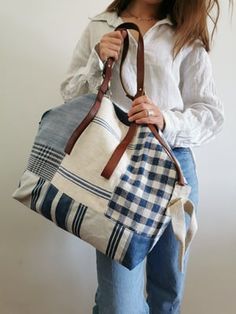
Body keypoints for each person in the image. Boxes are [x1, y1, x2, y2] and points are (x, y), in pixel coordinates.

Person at [60, 1, 225, 313]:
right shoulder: (101, 25)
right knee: (118, 302)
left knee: (168, 292)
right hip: (116, 169)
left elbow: (210, 113)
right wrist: (97, 62)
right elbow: (70, 97)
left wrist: (164, 119)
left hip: (173, 168)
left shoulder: (184, 34)